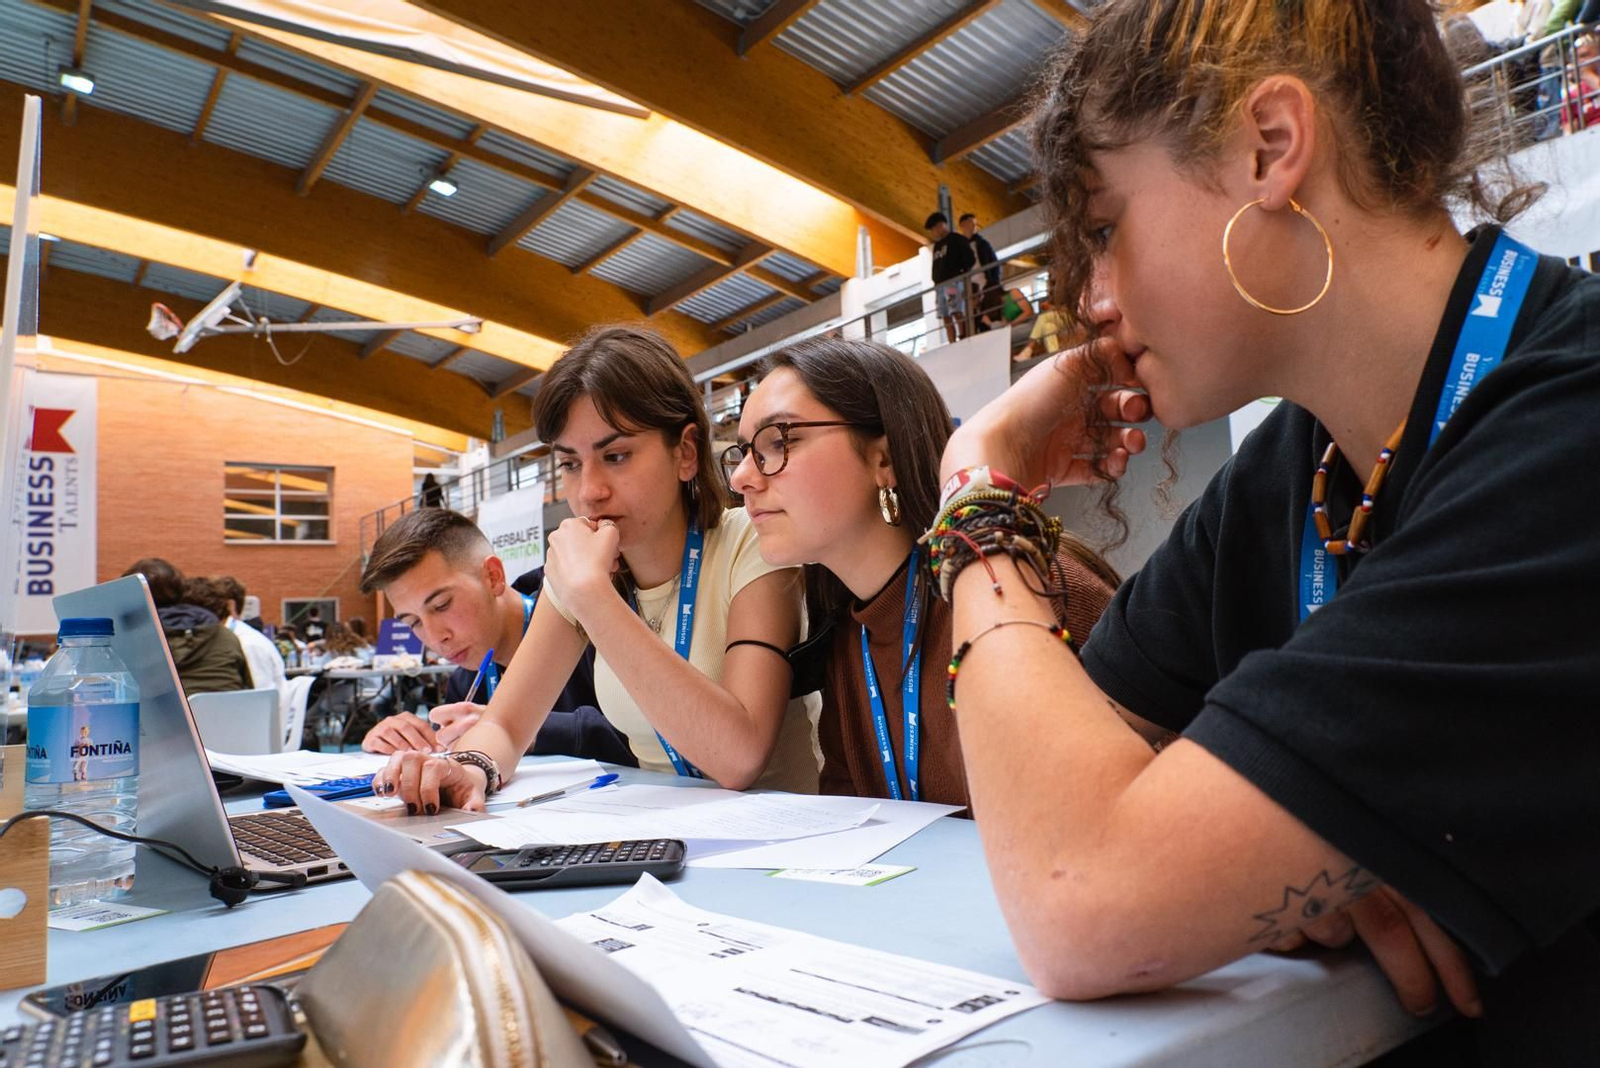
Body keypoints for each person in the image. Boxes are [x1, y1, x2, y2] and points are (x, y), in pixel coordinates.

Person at [933, 1, 1600, 1062]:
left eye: (1104, 231)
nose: (1090, 301)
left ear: (1270, 148)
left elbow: (1075, 896)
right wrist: (1291, 855)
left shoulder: (1569, 431)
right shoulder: (1301, 459)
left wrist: (978, 491)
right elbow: (1038, 789)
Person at [378, 325, 820, 813]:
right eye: (570, 465)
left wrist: (594, 596)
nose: (590, 492)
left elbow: (739, 758)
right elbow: (505, 726)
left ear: (687, 452)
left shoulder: (752, 545)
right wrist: (467, 766)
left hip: (786, 841)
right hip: (669, 842)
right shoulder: (577, 573)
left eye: (616, 456)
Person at [727, 336, 1119, 809]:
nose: (741, 477)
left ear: (883, 460)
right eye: (744, 450)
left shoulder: (1032, 592)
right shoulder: (854, 636)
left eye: (778, 442)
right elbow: (846, 811)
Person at [357, 507, 635, 766]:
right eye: (413, 622)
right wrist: (407, 738)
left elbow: (647, 740)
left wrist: (515, 728)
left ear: (493, 576)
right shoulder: (465, 681)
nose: (434, 637)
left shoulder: (585, 619)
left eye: (442, 605)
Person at [122, 561, 251, 696]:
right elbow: (248, 692)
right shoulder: (225, 635)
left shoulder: (134, 641)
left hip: (169, 717)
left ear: (131, 598)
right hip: (230, 715)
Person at [214, 575, 288, 714]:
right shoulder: (236, 639)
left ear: (230, 606)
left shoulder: (248, 644)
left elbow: (259, 701)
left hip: (258, 727)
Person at [926, 211, 976, 344]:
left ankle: (963, 336)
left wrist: (961, 273)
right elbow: (936, 266)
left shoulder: (956, 239)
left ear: (941, 225)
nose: (933, 232)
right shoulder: (937, 246)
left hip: (953, 282)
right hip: (940, 285)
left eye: (933, 229)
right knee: (945, 315)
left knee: (956, 311)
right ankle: (952, 341)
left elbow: (970, 259)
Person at [959, 212, 1003, 330]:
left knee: (991, 312)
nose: (973, 227)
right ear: (963, 226)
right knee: (975, 315)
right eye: (970, 224)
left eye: (974, 224)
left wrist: (994, 281)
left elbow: (994, 264)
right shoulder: (961, 248)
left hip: (986, 283)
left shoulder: (983, 244)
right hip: (971, 287)